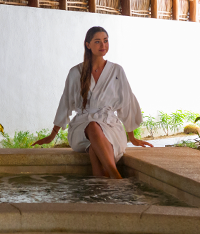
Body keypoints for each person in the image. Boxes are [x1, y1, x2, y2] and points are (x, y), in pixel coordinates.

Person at [32, 26, 153, 178]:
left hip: (110, 126)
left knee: (95, 151)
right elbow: (65, 103)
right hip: (82, 127)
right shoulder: (75, 72)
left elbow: (127, 102)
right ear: (88, 44)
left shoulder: (117, 71)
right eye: (97, 42)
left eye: (105, 41)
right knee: (93, 126)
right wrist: (52, 135)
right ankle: (116, 177)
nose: (103, 46)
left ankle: (102, 190)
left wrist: (132, 137)